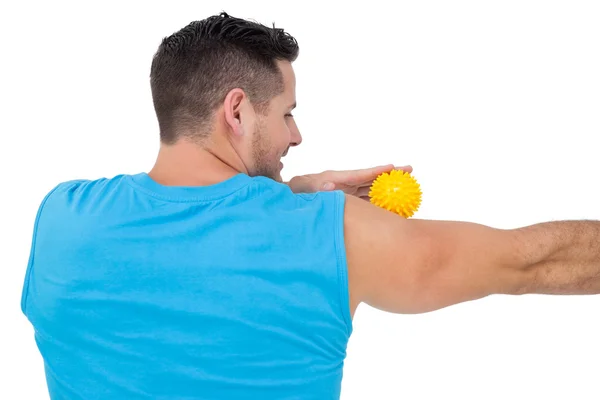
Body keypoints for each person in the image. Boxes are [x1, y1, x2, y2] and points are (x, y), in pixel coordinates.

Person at [20, 11, 599, 400]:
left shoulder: (62, 217)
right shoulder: (335, 237)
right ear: (238, 111)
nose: (296, 137)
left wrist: (294, 193)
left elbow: (188, 229)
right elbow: (531, 263)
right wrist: (307, 212)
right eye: (288, 113)